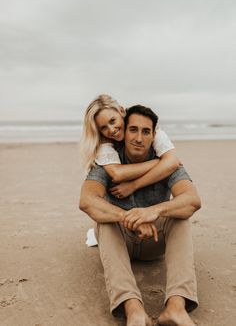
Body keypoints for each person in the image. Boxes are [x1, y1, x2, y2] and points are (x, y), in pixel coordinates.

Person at [79, 104, 201, 326]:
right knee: (104, 222)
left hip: (154, 240)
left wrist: (153, 211)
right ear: (124, 131)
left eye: (146, 132)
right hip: (120, 241)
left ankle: (175, 307)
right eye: (133, 130)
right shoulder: (108, 159)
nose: (138, 138)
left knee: (180, 216)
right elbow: (87, 201)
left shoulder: (165, 160)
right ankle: (133, 309)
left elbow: (192, 199)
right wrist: (129, 219)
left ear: (154, 135)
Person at [79, 94, 181, 199]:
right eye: (103, 127)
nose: (111, 130)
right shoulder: (102, 142)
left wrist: (133, 185)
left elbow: (173, 162)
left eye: (113, 121)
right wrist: (159, 162)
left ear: (121, 111)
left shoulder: (147, 128)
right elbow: (117, 174)